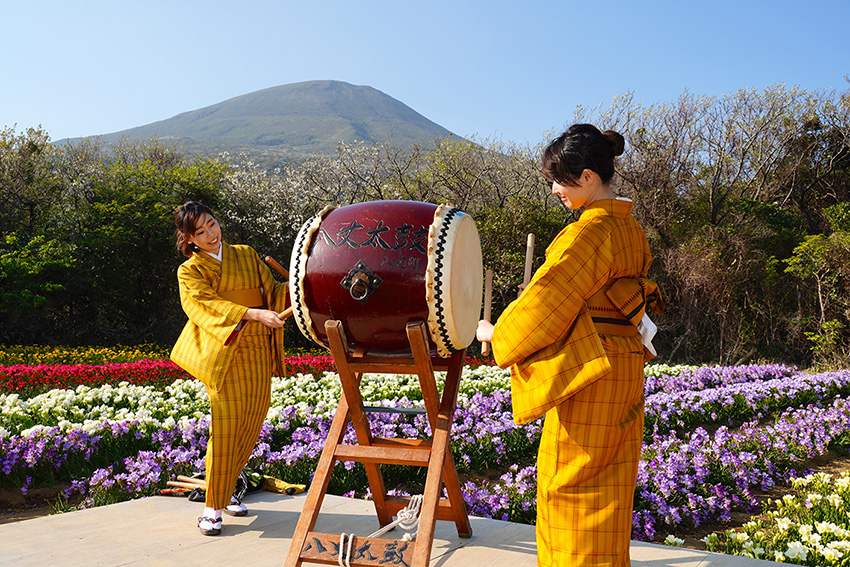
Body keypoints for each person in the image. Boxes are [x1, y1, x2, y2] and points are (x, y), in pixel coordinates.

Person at [477, 124, 662, 566]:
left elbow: (546, 301)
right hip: (624, 363)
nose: (556, 190)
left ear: (587, 178)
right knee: (611, 482)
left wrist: (495, 334)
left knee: (571, 482)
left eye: (561, 180)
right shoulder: (630, 229)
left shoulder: (589, 233)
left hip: (589, 368)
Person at [170, 201, 288, 536]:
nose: (210, 235)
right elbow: (206, 304)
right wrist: (252, 314)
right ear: (189, 239)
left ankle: (229, 486)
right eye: (200, 232)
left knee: (252, 423)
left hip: (256, 352)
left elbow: (273, 292)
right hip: (224, 356)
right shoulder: (189, 271)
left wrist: (298, 284)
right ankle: (211, 507)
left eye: (212, 225)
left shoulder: (247, 254)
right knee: (225, 429)